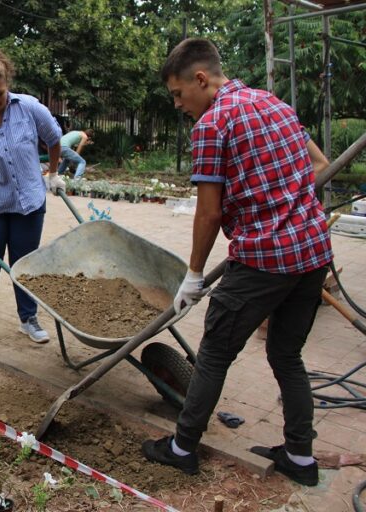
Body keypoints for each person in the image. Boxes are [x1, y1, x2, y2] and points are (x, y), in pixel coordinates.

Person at [141, 38, 332, 487]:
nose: (177, 104)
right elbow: (320, 165)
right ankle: (301, 458)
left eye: (178, 93)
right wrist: (289, 204)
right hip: (312, 254)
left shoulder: (212, 125)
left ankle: (183, 448)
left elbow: (209, 213)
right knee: (287, 355)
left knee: (214, 353)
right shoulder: (274, 105)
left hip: (262, 260)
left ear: (201, 80)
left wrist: (192, 275)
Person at [0, 46, 66, 348]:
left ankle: (28, 319)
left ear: (7, 85)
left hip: (29, 204)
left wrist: (53, 174)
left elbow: (55, 138)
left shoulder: (29, 108)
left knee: (25, 264)